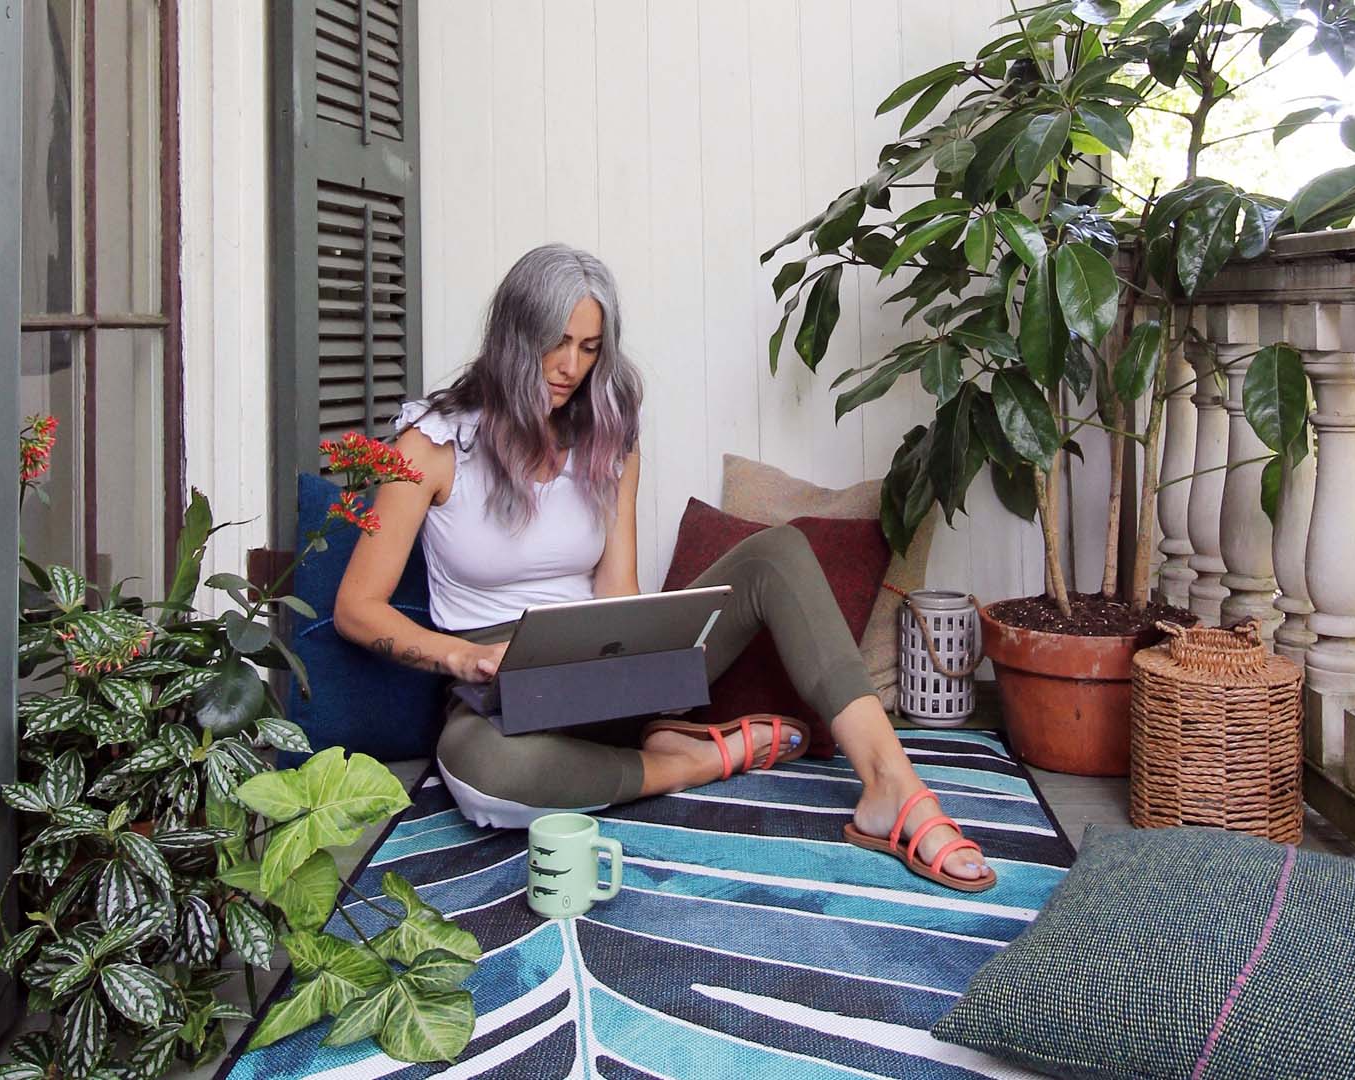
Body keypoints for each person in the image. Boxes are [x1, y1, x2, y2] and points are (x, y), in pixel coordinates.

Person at [334, 243, 993, 892]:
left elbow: (616, 589)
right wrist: (460, 659)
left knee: (780, 554)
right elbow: (357, 608)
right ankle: (686, 762)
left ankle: (891, 786)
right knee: (487, 775)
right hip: (494, 679)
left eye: (589, 348)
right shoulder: (432, 444)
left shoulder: (607, 435)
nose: (570, 367)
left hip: (596, 659)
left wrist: (636, 654)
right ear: (513, 335)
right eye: (555, 342)